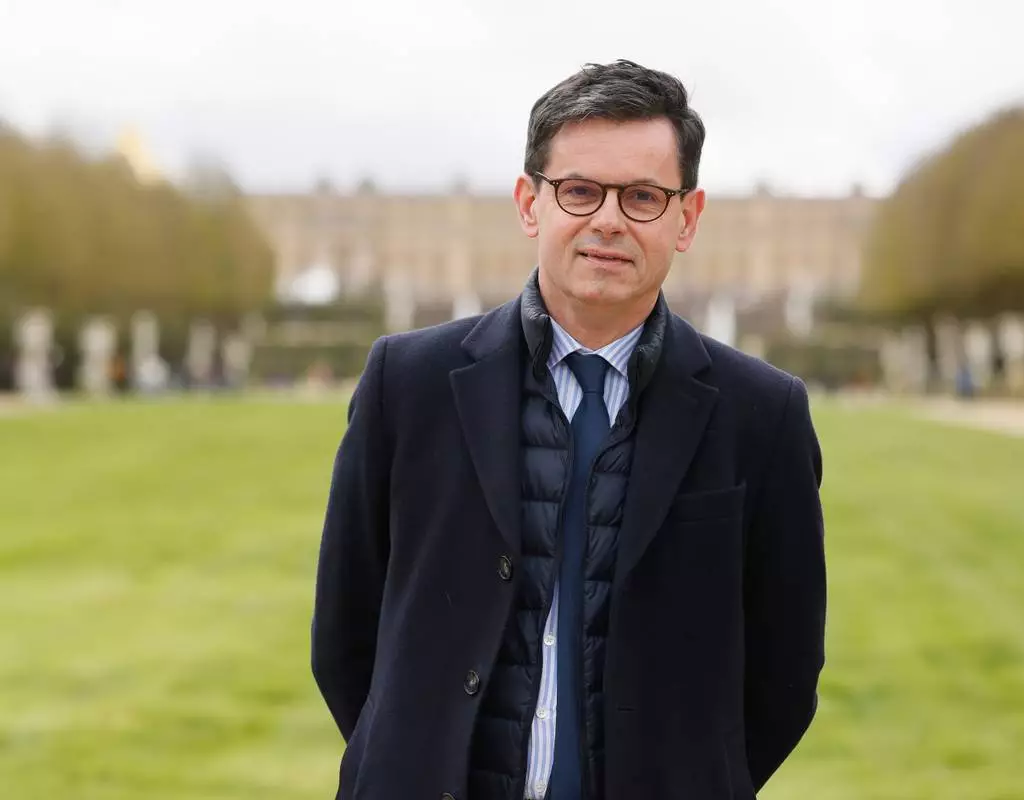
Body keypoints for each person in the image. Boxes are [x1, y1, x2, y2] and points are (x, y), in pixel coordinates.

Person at [311, 59, 827, 800]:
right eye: (580, 190)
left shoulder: (762, 415)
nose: (608, 220)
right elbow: (345, 633)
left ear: (687, 218)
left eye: (643, 196)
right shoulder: (408, 384)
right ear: (531, 203)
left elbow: (785, 669)